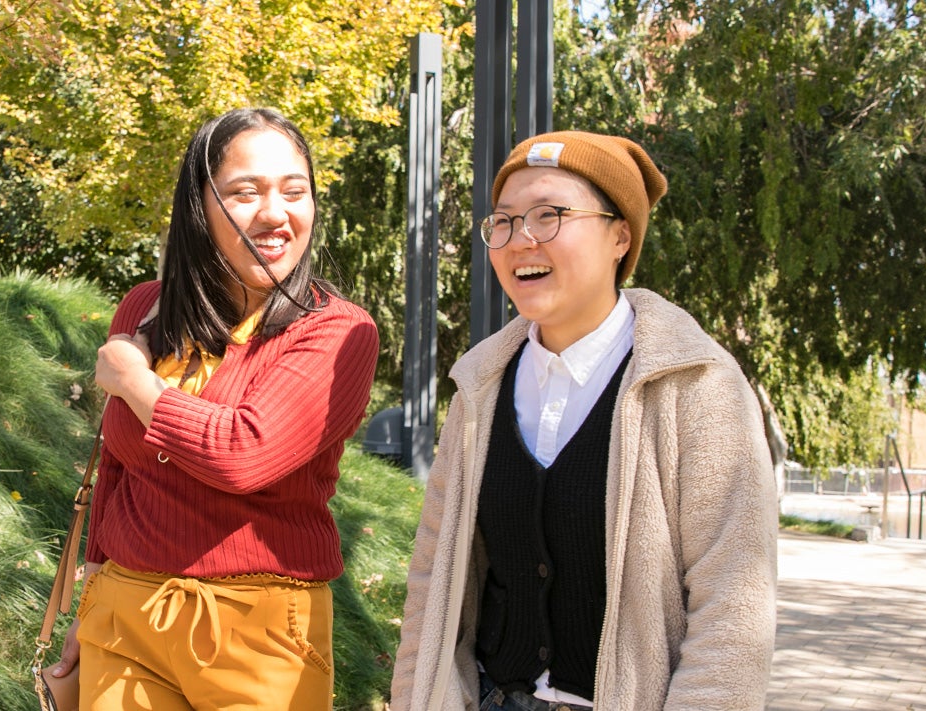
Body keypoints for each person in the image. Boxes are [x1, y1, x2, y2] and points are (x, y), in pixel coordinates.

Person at [390, 130, 777, 710]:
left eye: (549, 215)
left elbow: (733, 607)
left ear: (620, 235)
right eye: (504, 222)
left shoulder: (695, 384)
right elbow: (432, 579)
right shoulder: (480, 386)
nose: (521, 241)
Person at [51, 107, 379, 710]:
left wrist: (136, 382)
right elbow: (121, 471)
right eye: (244, 193)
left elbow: (243, 454)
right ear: (199, 207)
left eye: (295, 192)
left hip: (260, 634)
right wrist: (88, 600)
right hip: (125, 615)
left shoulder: (334, 331)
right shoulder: (146, 310)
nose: (276, 214)